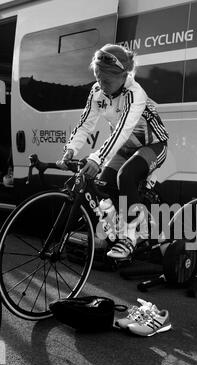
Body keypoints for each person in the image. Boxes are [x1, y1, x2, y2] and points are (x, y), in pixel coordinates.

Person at [57, 44, 169, 259]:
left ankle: (130, 237)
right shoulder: (97, 91)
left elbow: (122, 131)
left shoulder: (136, 94)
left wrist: (97, 157)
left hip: (154, 145)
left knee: (125, 176)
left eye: (106, 81)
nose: (100, 84)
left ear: (123, 75)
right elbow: (85, 123)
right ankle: (113, 233)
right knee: (103, 184)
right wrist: (71, 148)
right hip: (126, 148)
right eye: (97, 77)